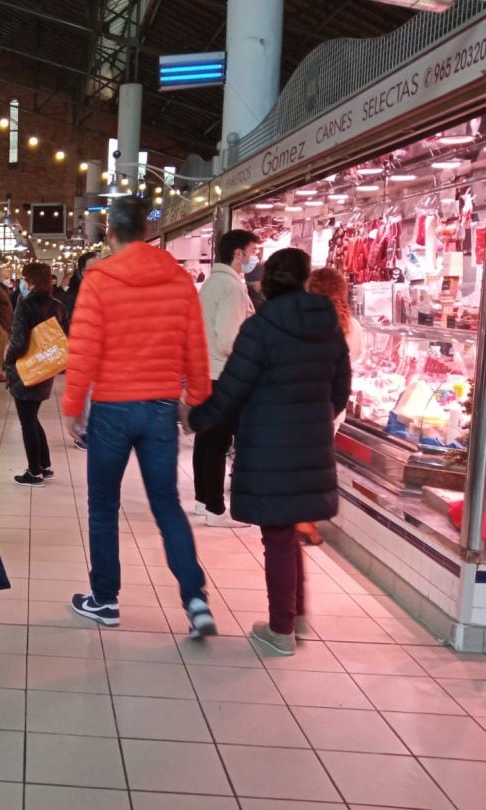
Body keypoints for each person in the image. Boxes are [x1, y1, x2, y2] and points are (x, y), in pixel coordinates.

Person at [63, 197, 216, 637]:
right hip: (161, 410)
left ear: (110, 233)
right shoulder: (178, 279)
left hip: (112, 410)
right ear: (147, 233)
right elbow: (195, 345)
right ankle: (195, 600)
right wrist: (196, 397)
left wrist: (74, 407)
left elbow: (85, 347)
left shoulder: (100, 279)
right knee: (167, 504)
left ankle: (106, 600)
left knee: (103, 506)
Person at [187, 249, 350, 655]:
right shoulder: (328, 324)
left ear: (268, 281)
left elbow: (233, 387)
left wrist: (196, 417)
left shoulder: (260, 328)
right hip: (312, 442)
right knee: (290, 532)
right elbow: (341, 387)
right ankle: (296, 617)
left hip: (269, 444)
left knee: (277, 535)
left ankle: (280, 630)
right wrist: (315, 419)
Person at [193, 228, 260, 529]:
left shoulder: (212, 283)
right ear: (238, 254)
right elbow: (228, 340)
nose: (254, 259)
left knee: (206, 441)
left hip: (207, 372)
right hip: (223, 375)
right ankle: (215, 509)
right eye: (252, 253)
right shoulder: (232, 288)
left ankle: (202, 500)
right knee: (218, 443)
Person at [295, 266, 363, 546]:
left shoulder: (299, 319)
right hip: (330, 406)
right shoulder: (352, 326)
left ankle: (295, 518)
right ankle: (306, 519)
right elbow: (355, 361)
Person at [6, 263, 66, 487]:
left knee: (27, 420)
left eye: (23, 278)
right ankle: (45, 465)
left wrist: (9, 359)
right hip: (46, 367)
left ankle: (34, 472)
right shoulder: (58, 306)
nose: (21, 283)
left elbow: (19, 342)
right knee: (32, 416)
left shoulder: (26, 305)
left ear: (31, 281)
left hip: (27, 369)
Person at [64, 251, 98, 450]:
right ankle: (82, 430)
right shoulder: (75, 296)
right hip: (81, 352)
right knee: (85, 392)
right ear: (82, 272)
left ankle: (87, 428)